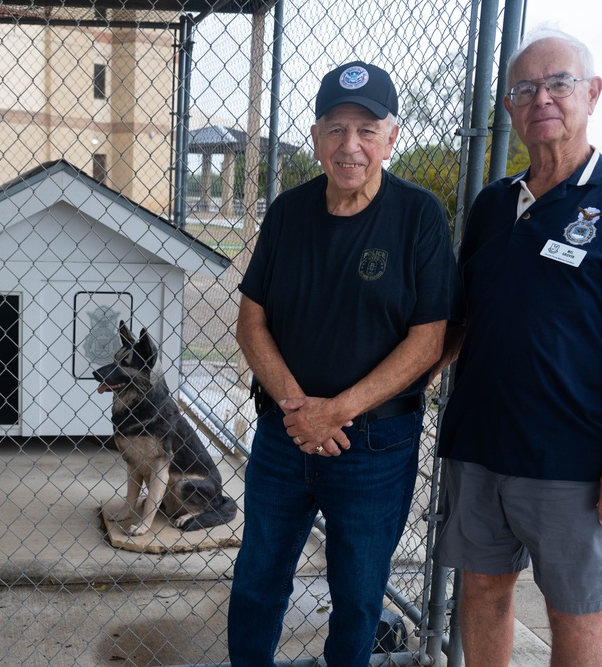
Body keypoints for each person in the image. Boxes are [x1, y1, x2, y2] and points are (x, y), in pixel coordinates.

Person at [434, 26, 602, 667]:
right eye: (525, 88)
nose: (541, 98)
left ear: (592, 93)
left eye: (558, 83)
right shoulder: (492, 206)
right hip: (479, 447)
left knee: (576, 613)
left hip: (574, 460)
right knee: (483, 592)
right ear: (511, 109)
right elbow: (457, 323)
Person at [227, 61, 458, 666]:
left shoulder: (419, 216)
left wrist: (337, 412)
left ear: (391, 137)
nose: (349, 145)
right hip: (284, 437)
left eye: (365, 129)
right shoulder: (288, 213)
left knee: (357, 597)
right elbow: (251, 321)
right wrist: (298, 409)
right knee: (257, 582)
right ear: (315, 137)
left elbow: (429, 339)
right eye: (335, 129)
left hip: (375, 445)